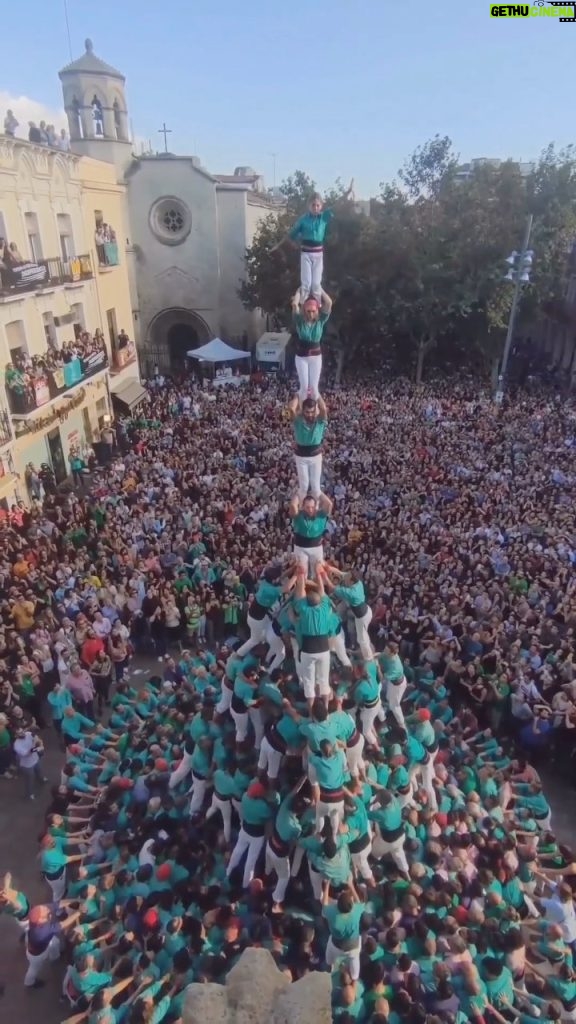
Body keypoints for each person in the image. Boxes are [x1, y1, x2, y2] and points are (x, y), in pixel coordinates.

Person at [272, 183, 354, 301]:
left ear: (321, 206)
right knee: (306, 284)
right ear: (309, 206)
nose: (315, 208)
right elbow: (290, 235)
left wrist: (347, 193)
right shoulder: (303, 219)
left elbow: (336, 205)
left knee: (316, 284)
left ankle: (317, 308)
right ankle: (302, 308)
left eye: (317, 205)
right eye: (313, 205)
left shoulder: (324, 217)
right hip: (306, 254)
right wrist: (278, 246)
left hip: (318, 255)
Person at [291, 290, 333, 402]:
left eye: (313, 311)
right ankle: (300, 412)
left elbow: (329, 303)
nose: (311, 314)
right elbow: (295, 304)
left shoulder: (320, 321)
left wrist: (318, 289)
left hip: (316, 358)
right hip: (302, 357)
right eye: (308, 311)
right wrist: (300, 290)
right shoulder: (300, 321)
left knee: (314, 389)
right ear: (304, 310)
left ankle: (318, 413)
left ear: (317, 311)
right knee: (304, 388)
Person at [287, 393, 328, 500]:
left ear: (316, 410)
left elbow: (323, 408)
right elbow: (291, 409)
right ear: (302, 411)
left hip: (315, 456)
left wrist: (316, 393)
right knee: (304, 487)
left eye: (312, 411)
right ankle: (299, 507)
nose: (310, 414)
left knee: (315, 488)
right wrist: (297, 396)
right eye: (307, 412)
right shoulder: (298, 421)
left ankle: (317, 508)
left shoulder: (320, 420)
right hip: (301, 457)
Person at [290, 492, 333, 576]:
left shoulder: (321, 515)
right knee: (302, 573)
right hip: (300, 547)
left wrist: (318, 492)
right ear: (303, 507)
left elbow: (329, 504)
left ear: (316, 506)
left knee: (317, 573)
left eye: (312, 507)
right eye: (307, 507)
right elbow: (293, 506)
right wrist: (299, 493)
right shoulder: (299, 516)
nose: (310, 510)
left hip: (316, 547)